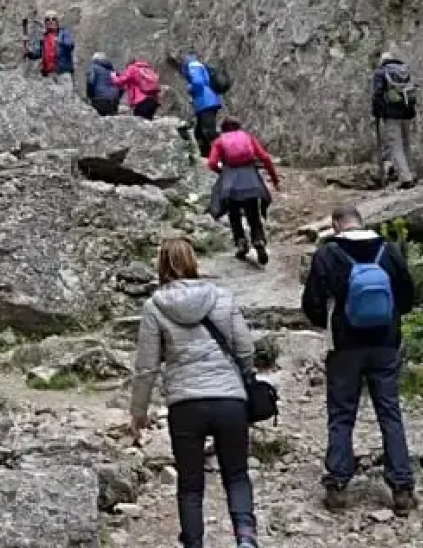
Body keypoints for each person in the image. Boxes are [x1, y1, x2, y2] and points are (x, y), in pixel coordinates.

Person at [130, 237, 261, 548]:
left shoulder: (154, 306)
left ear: (161, 264)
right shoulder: (222, 297)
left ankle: (193, 543)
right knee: (237, 474)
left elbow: (146, 366)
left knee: (190, 485)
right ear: (193, 261)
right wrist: (246, 378)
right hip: (230, 400)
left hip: (185, 404)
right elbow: (245, 348)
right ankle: (245, 537)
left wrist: (138, 411)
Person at [301, 204, 418, 516]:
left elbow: (311, 302)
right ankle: (402, 487)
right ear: (361, 221)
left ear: (338, 224)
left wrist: (328, 321)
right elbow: (407, 297)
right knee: (389, 413)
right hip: (385, 345)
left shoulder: (328, 254)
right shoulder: (389, 250)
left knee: (341, 415)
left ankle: (338, 484)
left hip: (344, 347)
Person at [206, 117, 280, 265]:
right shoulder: (248, 137)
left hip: (231, 181)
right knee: (253, 213)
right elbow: (265, 157)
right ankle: (258, 239)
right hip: (250, 178)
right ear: (239, 126)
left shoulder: (220, 141)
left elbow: (212, 163)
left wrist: (222, 171)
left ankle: (241, 241)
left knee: (233, 213)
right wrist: (275, 179)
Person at [371, 51, 418, 188]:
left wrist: (376, 113)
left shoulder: (381, 72)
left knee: (395, 145)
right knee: (406, 144)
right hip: (407, 113)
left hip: (391, 115)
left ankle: (405, 178)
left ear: (382, 61)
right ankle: (412, 173)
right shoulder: (404, 70)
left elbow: (377, 94)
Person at [173, 52, 224, 156]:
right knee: (199, 132)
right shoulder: (196, 65)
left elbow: (198, 82)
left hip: (205, 102)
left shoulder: (193, 65)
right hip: (206, 101)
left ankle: (223, 154)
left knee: (208, 131)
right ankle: (208, 154)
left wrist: (191, 88)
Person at [24, 11, 76, 87]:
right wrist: (29, 53)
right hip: (49, 74)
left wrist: (58, 40)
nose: (51, 21)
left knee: (66, 97)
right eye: (48, 19)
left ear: (57, 21)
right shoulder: (44, 37)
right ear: (45, 23)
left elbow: (70, 45)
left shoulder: (64, 32)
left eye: (53, 19)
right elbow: (39, 53)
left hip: (63, 73)